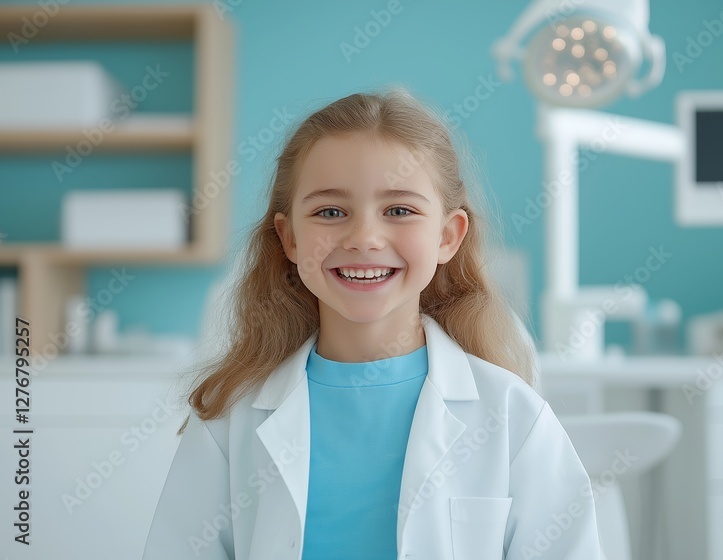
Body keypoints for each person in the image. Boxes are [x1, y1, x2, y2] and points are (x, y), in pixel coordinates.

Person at [141, 87, 602, 560]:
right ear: (290, 238)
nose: (364, 237)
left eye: (399, 210)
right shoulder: (229, 422)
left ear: (448, 236)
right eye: (330, 212)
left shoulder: (514, 418)